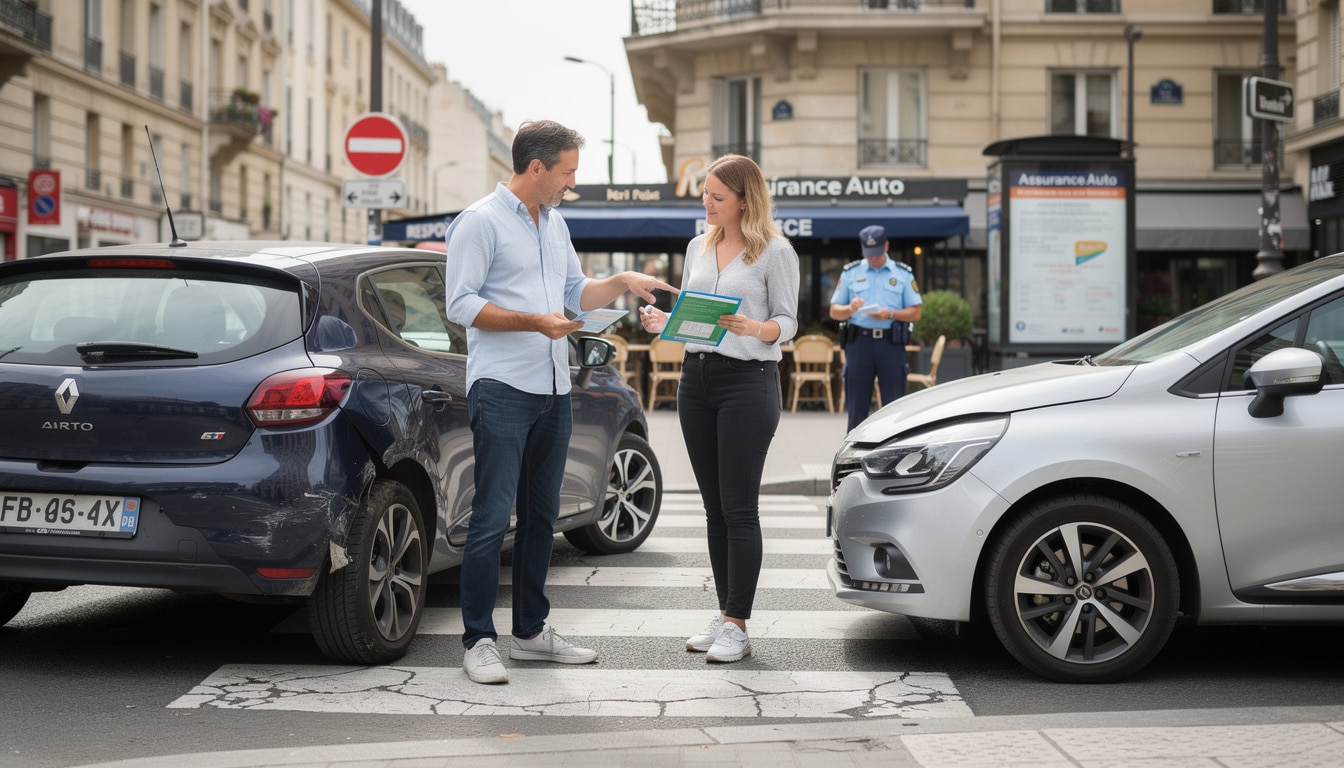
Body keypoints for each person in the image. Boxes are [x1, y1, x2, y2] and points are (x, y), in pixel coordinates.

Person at [443, 120, 676, 685]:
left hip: (554, 388)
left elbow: (575, 293)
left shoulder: (555, 223)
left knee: (542, 518)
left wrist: (620, 281)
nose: (573, 182)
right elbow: (460, 304)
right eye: (567, 172)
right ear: (537, 168)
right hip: (502, 387)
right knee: (492, 516)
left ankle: (529, 634)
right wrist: (534, 322)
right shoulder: (479, 222)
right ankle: (478, 641)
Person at [638, 154, 800, 664]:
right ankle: (725, 612)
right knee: (713, 508)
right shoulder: (697, 247)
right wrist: (663, 323)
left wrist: (756, 327)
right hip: (696, 379)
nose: (706, 203)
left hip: (748, 383)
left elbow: (788, 322)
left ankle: (738, 625)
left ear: (745, 201)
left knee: (739, 507)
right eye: (705, 194)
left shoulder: (776, 251)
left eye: (716, 197)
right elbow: (696, 317)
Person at [829, 225, 922, 432]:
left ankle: (893, 448)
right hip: (859, 344)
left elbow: (916, 312)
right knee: (856, 408)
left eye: (877, 254)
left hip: (891, 344)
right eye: (869, 254)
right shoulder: (851, 272)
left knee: (894, 407)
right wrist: (850, 308)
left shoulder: (902, 273)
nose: (873, 259)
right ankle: (855, 449)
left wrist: (891, 314)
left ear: (886, 246)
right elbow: (834, 311)